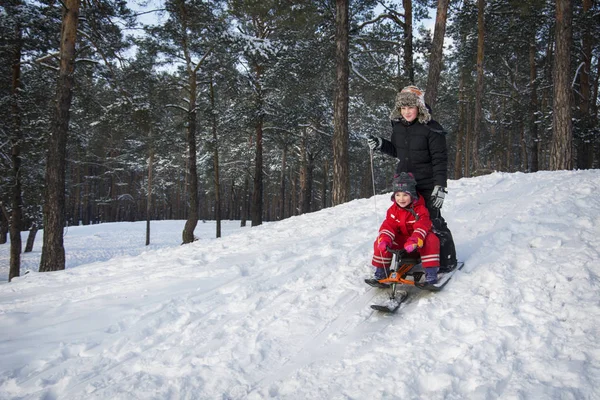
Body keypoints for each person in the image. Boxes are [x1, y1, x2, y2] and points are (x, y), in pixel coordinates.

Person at [367, 85, 457, 272]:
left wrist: (440, 186)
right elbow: (398, 151)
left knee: (432, 221)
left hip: (427, 183)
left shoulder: (432, 129)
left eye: (411, 107)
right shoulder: (398, 126)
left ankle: (448, 260)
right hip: (405, 183)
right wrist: (381, 144)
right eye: (403, 108)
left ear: (420, 107)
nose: (407, 112)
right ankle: (411, 254)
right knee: (405, 222)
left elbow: (440, 160)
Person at [371, 172, 440, 284]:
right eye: (398, 195)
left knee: (432, 240)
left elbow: (422, 226)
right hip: (402, 241)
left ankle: (431, 273)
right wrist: (385, 238)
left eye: (405, 195)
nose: (401, 199)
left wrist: (414, 240)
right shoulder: (392, 210)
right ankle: (381, 271)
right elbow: (388, 225)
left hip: (417, 241)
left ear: (412, 195)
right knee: (380, 241)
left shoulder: (420, 210)